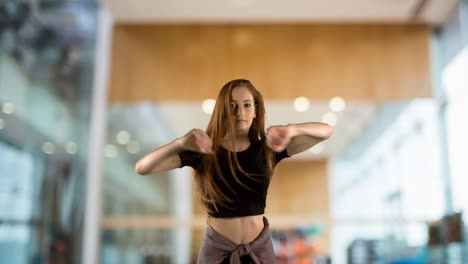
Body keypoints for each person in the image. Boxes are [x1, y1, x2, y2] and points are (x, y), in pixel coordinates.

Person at [135, 79, 334, 264]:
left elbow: (326, 131)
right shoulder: (204, 150)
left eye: (247, 105)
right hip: (217, 252)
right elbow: (142, 168)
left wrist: (292, 129)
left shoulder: (267, 149)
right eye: (232, 105)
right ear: (223, 110)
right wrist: (179, 143)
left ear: (255, 110)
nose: (240, 112)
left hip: (260, 250)